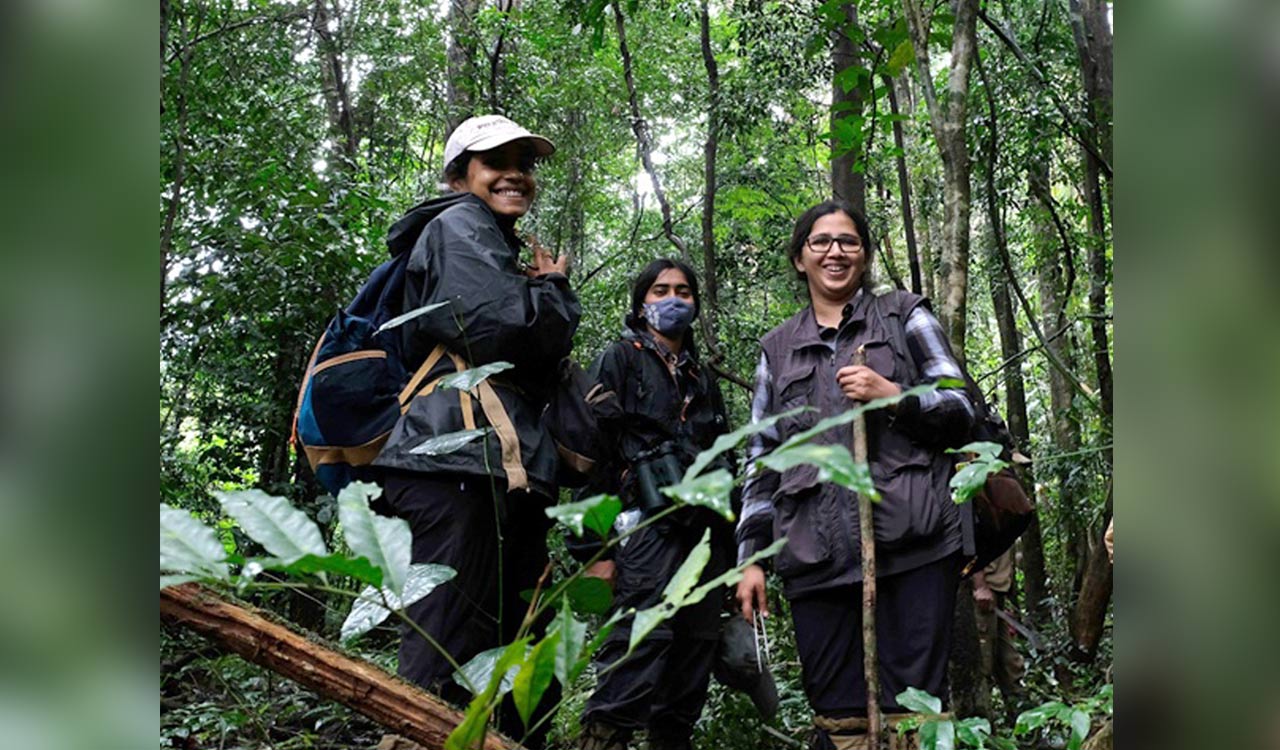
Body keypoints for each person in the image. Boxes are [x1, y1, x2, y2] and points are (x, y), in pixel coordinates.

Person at [733, 200, 976, 750]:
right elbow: (761, 456)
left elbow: (964, 410)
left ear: (864, 255)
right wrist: (751, 559)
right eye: (821, 242)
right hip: (814, 557)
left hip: (913, 547)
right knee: (838, 719)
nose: (835, 252)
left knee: (915, 710)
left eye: (848, 241)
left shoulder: (904, 315)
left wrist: (894, 396)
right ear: (800, 259)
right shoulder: (777, 350)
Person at [371, 114, 580, 746]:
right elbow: (507, 327)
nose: (516, 173)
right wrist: (558, 296)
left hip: (489, 463)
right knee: (447, 648)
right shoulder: (458, 227)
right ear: (461, 175)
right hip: (451, 463)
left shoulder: (492, 242)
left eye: (525, 162)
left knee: (520, 653)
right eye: (496, 161)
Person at [574, 259, 735, 750]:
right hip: (642, 530)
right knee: (639, 648)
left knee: (693, 657)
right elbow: (591, 456)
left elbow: (724, 458)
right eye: (661, 290)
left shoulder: (701, 377)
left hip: (703, 537)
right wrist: (595, 552)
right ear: (642, 302)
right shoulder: (619, 360)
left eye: (684, 292)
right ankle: (603, 741)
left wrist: (734, 557)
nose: (673, 300)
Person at [971, 549, 1027, 723]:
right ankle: (980, 733)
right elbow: (967, 539)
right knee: (982, 668)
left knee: (1010, 663)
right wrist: (979, 585)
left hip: (996, 591)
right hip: (982, 595)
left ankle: (1026, 728)